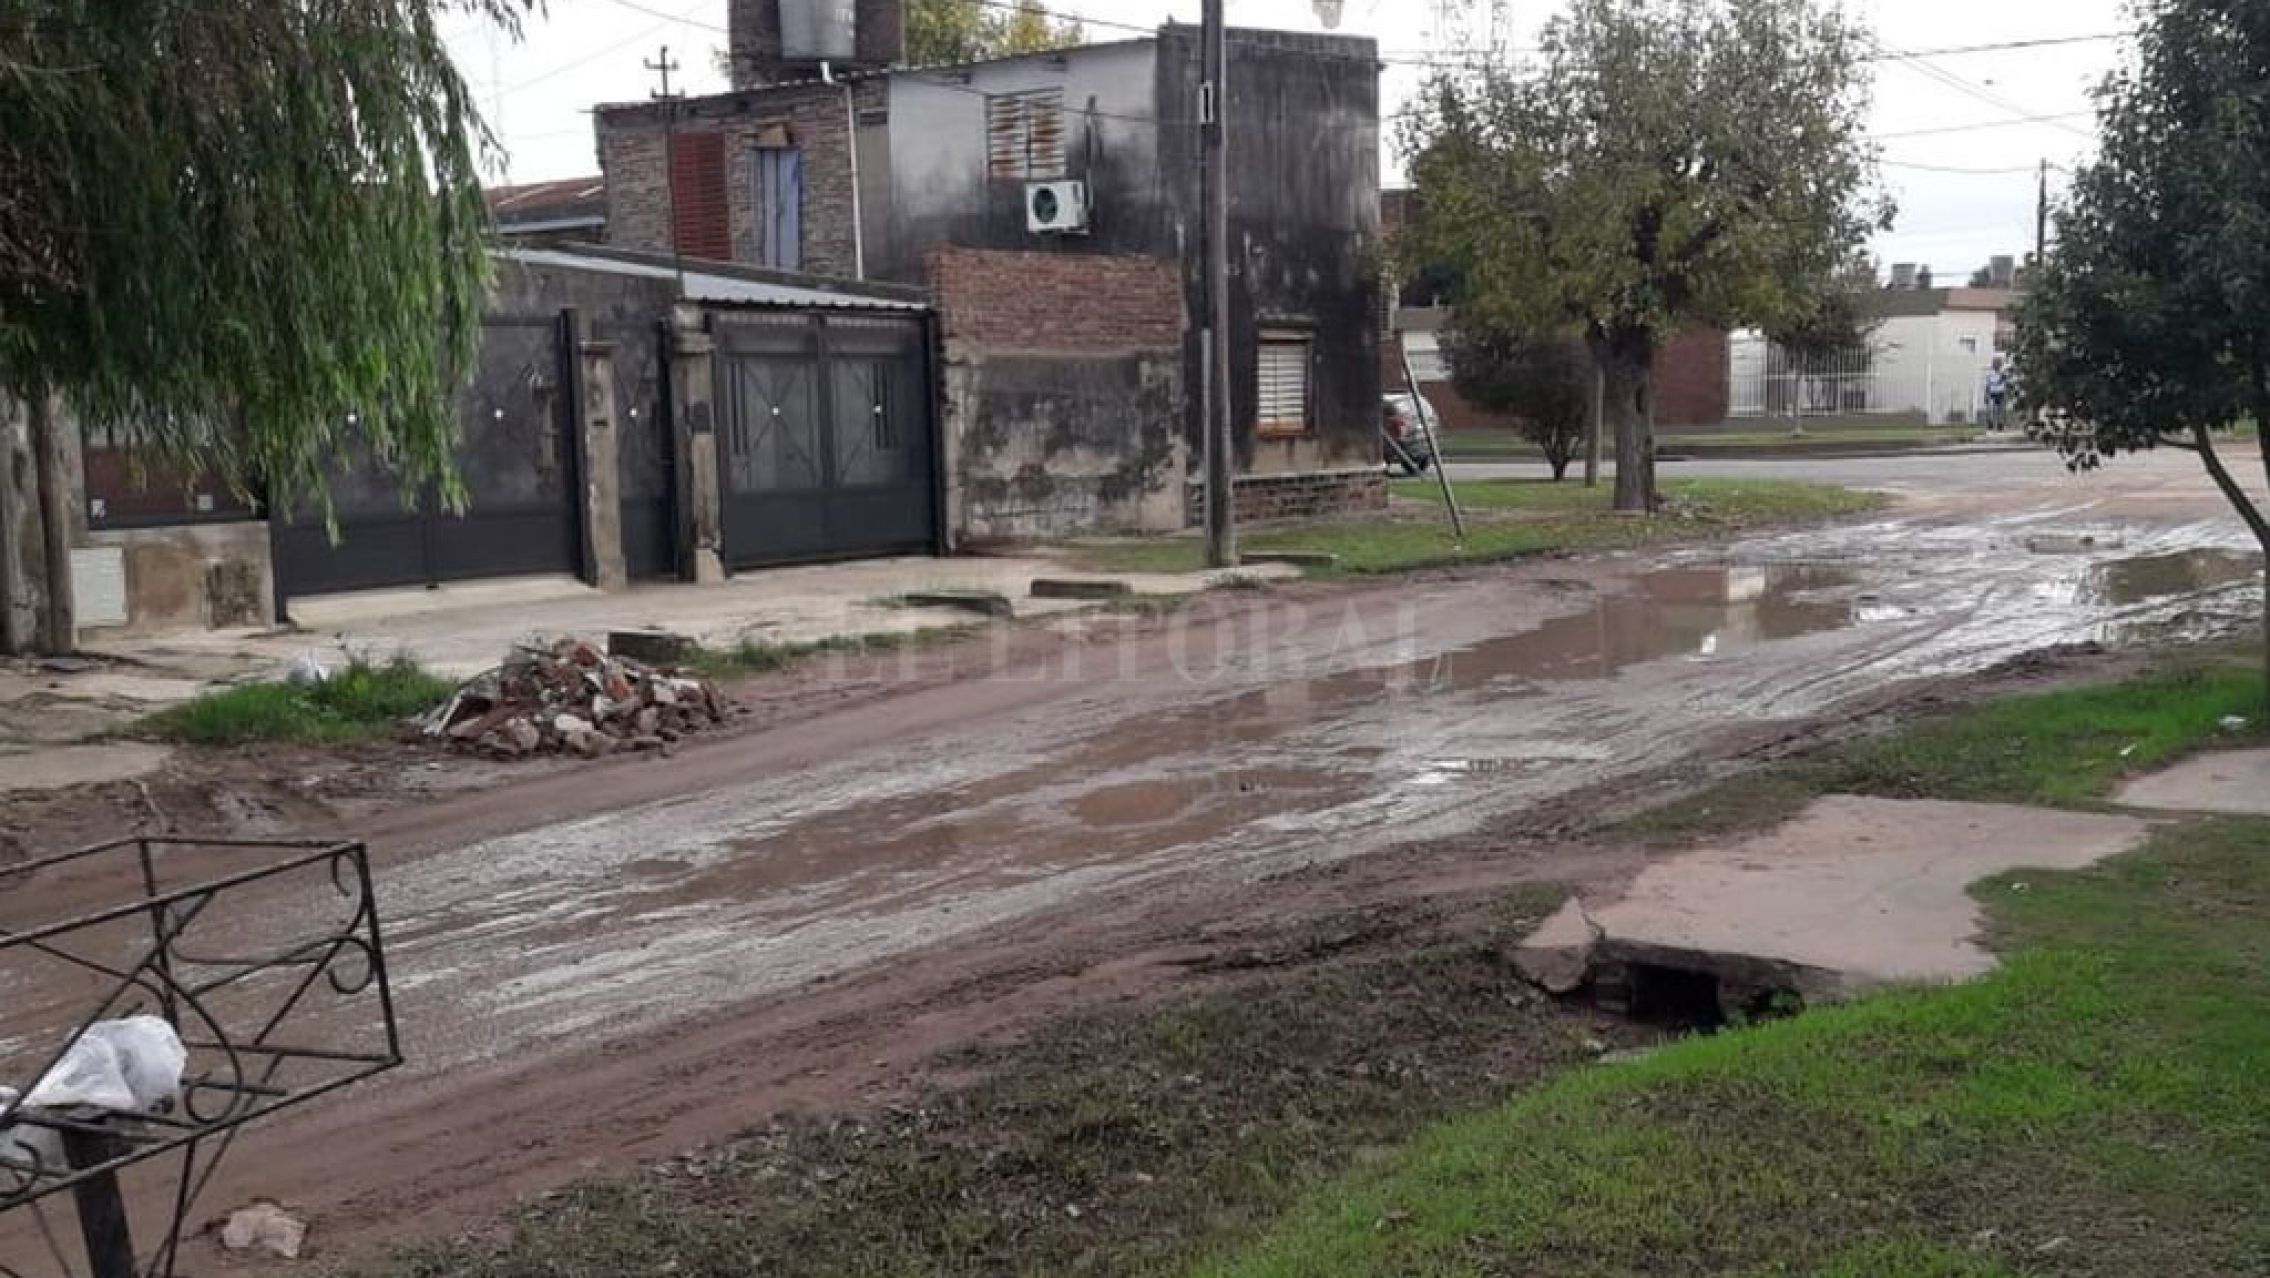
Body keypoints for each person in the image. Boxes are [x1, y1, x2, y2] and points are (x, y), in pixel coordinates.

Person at [1984, 358, 2010, 432]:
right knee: (1991, 408)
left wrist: (2006, 394)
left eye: (1998, 364)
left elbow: (2005, 383)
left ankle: (2000, 424)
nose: (1996, 365)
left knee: (2000, 409)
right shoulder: (1989, 374)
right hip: (1992, 392)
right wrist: (1986, 394)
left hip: (2000, 392)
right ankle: (1990, 423)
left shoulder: (2003, 373)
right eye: (1995, 364)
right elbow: (1987, 385)